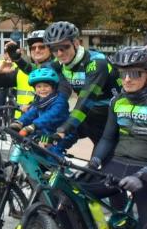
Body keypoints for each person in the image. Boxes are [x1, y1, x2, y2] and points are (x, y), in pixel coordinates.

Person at [57, 46, 147, 229]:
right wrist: (95, 161)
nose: (127, 79)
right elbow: (107, 138)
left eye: (136, 74)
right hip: (117, 163)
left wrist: (142, 176)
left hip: (144, 169)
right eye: (123, 74)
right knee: (68, 198)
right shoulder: (117, 101)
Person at [43, 21, 120, 150]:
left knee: (97, 165)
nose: (60, 53)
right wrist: (18, 59)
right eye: (54, 49)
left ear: (76, 43)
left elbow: (86, 99)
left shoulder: (96, 62)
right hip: (88, 114)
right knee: (49, 147)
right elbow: (38, 74)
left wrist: (63, 129)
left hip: (110, 116)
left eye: (64, 47)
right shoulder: (60, 63)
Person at [9, 68, 69, 152]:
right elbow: (31, 113)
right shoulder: (40, 100)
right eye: (38, 86)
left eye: (46, 86)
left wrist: (33, 126)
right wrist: (19, 122)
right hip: (43, 131)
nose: (42, 89)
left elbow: (50, 116)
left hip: (58, 134)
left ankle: (54, 165)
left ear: (53, 87)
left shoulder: (59, 101)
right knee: (28, 148)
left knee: (51, 154)